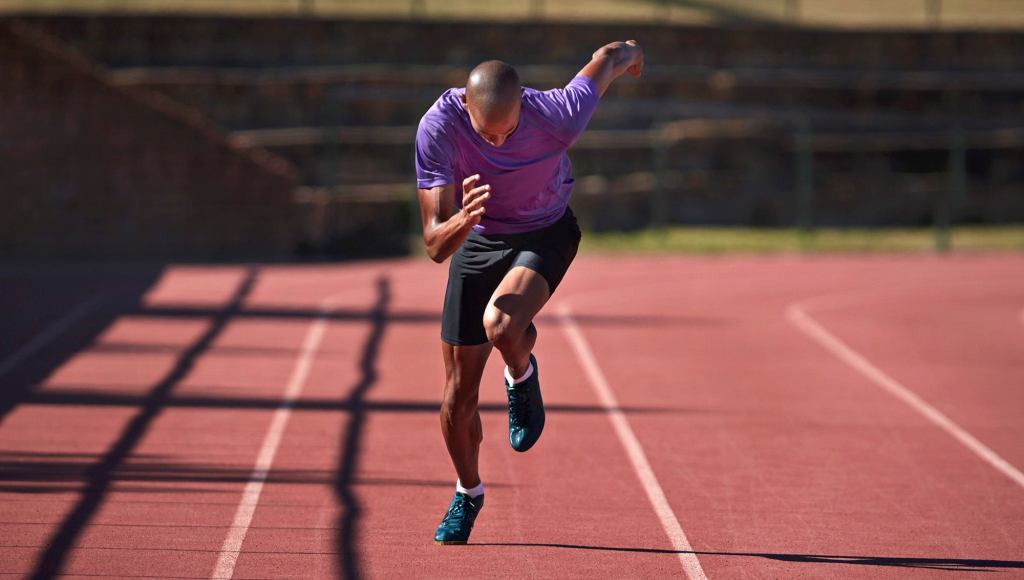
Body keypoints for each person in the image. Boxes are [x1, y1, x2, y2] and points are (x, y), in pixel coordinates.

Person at [414, 40, 644, 545]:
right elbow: (434, 244)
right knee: (457, 399)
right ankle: (467, 492)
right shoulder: (438, 127)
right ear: (464, 107)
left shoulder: (558, 114)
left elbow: (605, 61)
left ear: (524, 107)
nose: (496, 143)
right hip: (475, 237)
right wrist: (462, 219)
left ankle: (521, 373)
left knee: (501, 324)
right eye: (484, 133)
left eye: (507, 131)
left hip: (546, 230)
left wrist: (632, 53)